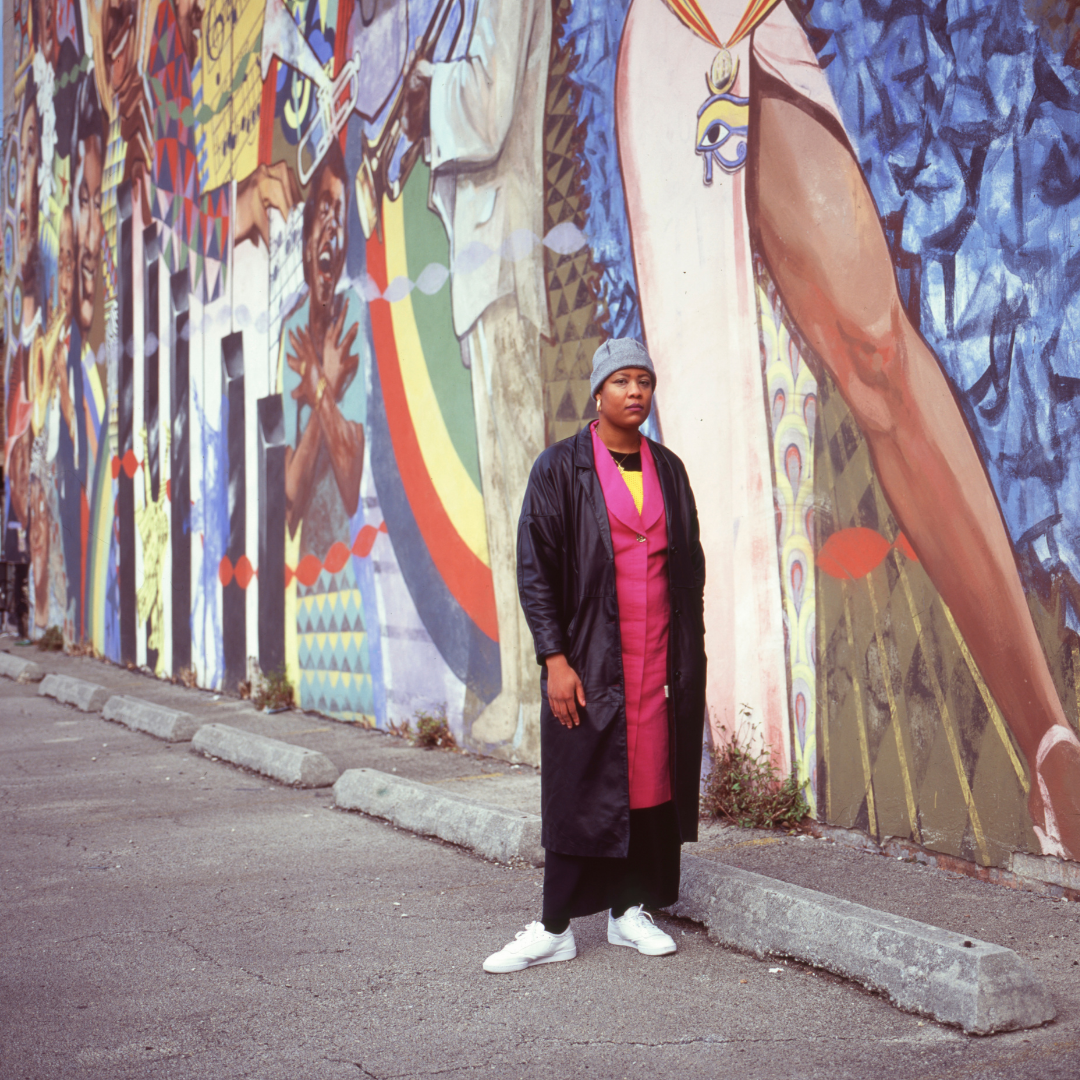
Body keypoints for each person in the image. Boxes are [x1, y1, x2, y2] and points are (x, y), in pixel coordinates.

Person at [616, 0, 1080, 859]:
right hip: (683, 46)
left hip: (800, 26)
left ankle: (1052, 747)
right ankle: (754, 775)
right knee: (722, 462)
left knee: (876, 349)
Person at [484, 338, 706, 973]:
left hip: (659, 660)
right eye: (622, 382)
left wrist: (690, 656)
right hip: (591, 659)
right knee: (581, 785)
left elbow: (688, 564)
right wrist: (554, 657)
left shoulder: (670, 469)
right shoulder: (559, 468)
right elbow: (536, 571)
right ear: (598, 392)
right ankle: (554, 926)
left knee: (649, 783)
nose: (635, 392)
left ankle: (627, 911)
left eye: (644, 381)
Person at [402, 0, 552, 752]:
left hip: (501, 247)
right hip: (481, 253)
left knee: (521, 488)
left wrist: (423, 87)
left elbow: (489, 110)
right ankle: (523, 692)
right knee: (504, 493)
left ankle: (537, 697)